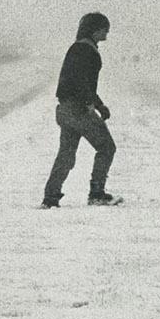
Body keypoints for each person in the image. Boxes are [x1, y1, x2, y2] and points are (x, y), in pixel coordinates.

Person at [42, 12, 119, 207]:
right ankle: (96, 193)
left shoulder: (78, 48)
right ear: (95, 30)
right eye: (104, 29)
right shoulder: (86, 50)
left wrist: (98, 104)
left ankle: (51, 196)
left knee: (66, 155)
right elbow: (82, 81)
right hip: (78, 109)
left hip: (65, 109)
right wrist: (92, 104)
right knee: (107, 147)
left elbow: (77, 81)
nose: (107, 33)